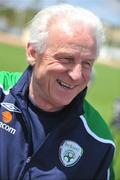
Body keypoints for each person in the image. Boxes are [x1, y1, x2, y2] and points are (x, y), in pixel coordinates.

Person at [0, 4, 115, 180]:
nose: (77, 76)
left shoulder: (99, 140)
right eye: (66, 59)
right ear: (33, 53)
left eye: (87, 63)